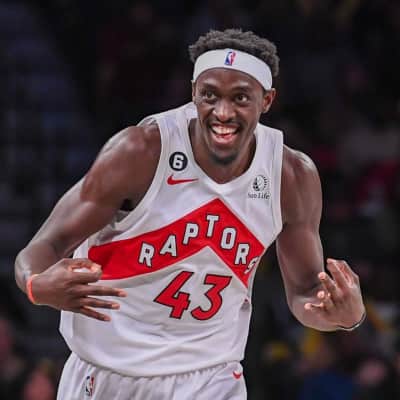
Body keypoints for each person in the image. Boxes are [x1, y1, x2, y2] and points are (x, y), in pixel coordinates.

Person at [15, 28, 366, 399]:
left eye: (240, 97)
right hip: (107, 372)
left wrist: (343, 316)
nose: (223, 112)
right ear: (194, 92)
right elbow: (46, 245)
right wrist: (37, 285)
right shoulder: (141, 151)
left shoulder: (290, 176)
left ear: (267, 100)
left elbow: (306, 292)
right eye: (210, 95)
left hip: (211, 378)